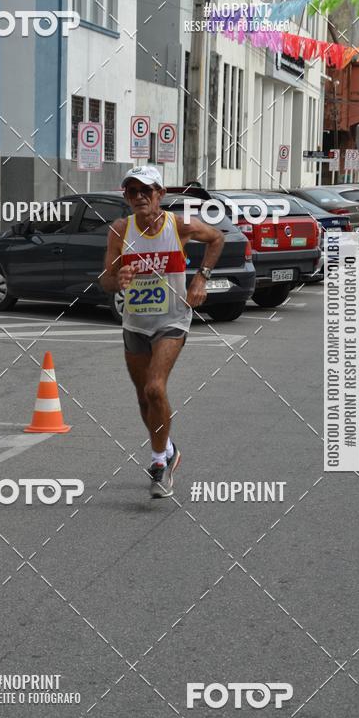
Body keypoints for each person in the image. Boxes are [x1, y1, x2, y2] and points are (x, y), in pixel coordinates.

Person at [100, 165, 224, 498]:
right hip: (135, 323)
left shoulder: (178, 225)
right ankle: (167, 448)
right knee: (143, 396)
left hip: (172, 321)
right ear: (126, 196)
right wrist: (118, 280)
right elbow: (106, 279)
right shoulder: (120, 230)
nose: (139, 197)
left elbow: (216, 238)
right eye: (132, 191)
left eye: (146, 191)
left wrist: (201, 279)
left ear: (160, 194)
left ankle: (158, 462)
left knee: (156, 388)